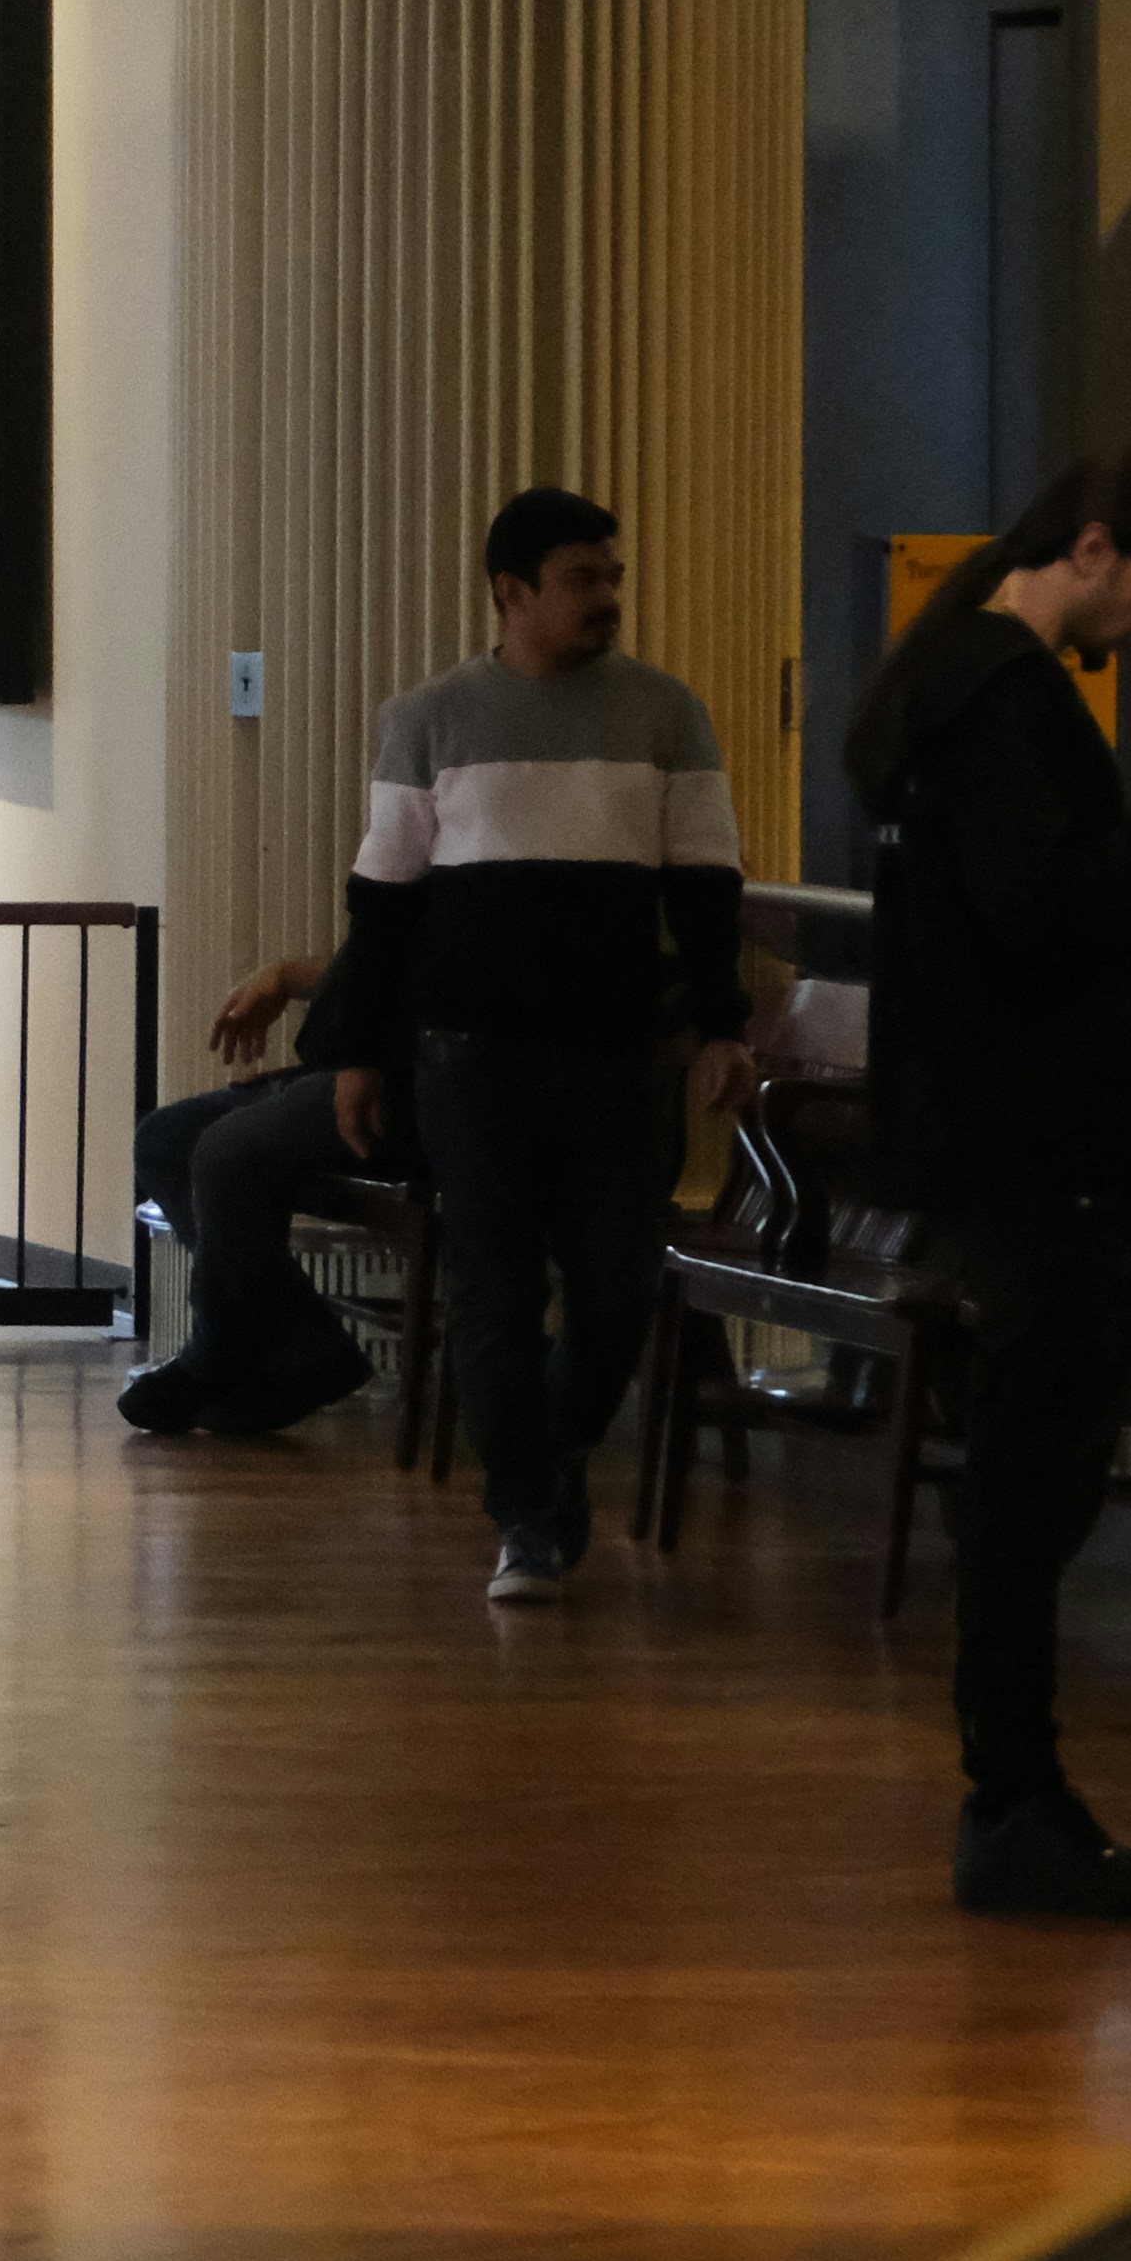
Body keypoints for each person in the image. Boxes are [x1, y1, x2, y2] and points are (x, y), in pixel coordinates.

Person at [850, 451, 1131, 1921]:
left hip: (996, 1143)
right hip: (1052, 1152)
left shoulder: (941, 690)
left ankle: (1017, 1794)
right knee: (1036, 1487)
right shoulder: (1012, 695)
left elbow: (1015, 901)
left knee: (1026, 1482)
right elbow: (1045, 916)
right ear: (1092, 548)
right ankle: (1014, 1803)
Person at [322, 484, 753, 1607]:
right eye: (583, 579)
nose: (609, 597)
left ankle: (547, 1454)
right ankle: (526, 1510)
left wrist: (722, 1021)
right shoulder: (428, 717)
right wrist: (360, 1054)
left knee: (619, 1285)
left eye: (613, 576)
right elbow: (384, 904)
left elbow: (707, 883)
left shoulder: (665, 712)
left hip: (613, 1052)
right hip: (471, 1057)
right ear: (512, 591)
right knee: (494, 1291)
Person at [115, 947, 402, 1437]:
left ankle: (219, 1348)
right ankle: (305, 1342)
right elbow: (382, 956)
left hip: (409, 1074)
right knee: (166, 1140)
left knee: (225, 1150)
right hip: (344, 1062)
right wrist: (287, 975)